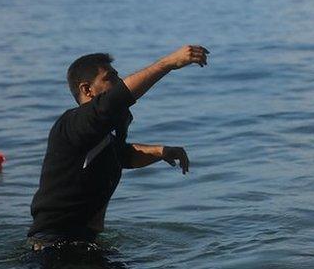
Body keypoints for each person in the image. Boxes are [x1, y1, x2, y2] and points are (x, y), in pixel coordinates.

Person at [27, 46, 209, 251]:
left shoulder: (97, 135)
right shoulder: (73, 123)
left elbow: (119, 155)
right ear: (86, 89)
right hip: (56, 247)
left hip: (80, 243)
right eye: (110, 78)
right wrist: (167, 64)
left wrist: (160, 152)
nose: (119, 82)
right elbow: (115, 100)